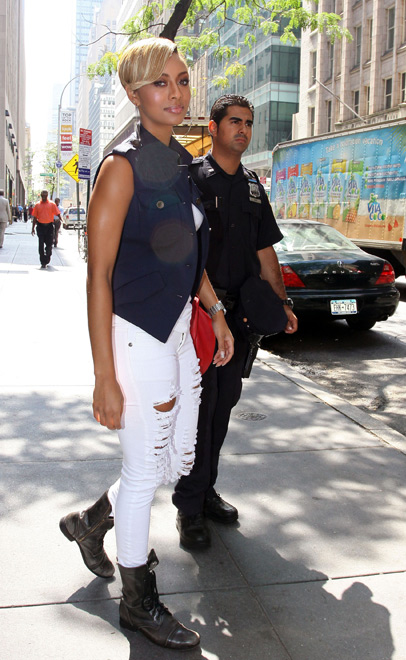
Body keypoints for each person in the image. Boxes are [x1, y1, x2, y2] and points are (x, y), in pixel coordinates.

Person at [58, 38, 234, 650]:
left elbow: (188, 255)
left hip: (180, 332)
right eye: (162, 83)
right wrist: (104, 376)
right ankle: (139, 601)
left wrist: (215, 310)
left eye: (182, 80)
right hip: (136, 338)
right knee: (142, 474)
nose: (177, 92)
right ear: (134, 95)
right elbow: (97, 276)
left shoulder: (182, 163)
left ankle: (88, 523)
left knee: (173, 460)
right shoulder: (121, 167)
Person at [172, 94, 298, 549]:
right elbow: (183, 251)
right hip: (203, 316)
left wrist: (283, 305)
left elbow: (266, 252)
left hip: (240, 321)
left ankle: (205, 492)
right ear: (213, 127)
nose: (243, 130)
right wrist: (210, 309)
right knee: (198, 414)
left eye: (248, 123)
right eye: (234, 122)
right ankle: (188, 508)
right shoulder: (191, 179)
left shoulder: (251, 186)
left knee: (222, 409)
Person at [31, 191, 61, 268]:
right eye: (42, 195)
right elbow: (35, 217)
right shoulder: (37, 205)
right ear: (41, 195)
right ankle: (42, 261)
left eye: (45, 195)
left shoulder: (52, 204)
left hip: (49, 227)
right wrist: (33, 228)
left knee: (49, 244)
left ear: (47, 195)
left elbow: (58, 213)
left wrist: (62, 220)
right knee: (41, 244)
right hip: (40, 226)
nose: (44, 197)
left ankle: (47, 257)